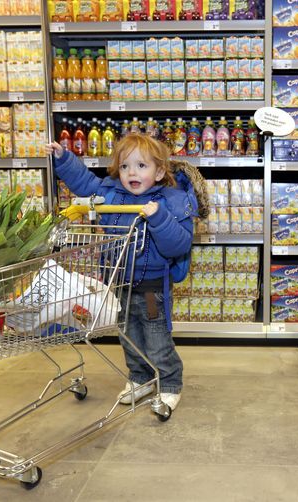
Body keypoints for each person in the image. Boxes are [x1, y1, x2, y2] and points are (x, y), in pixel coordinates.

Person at [45, 134, 208, 412]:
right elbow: (85, 183)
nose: (131, 172)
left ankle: (169, 383)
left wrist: (158, 218)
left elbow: (177, 245)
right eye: (124, 166)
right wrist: (64, 159)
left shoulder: (170, 201)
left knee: (156, 338)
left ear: (159, 172)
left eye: (141, 166)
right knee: (127, 334)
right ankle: (139, 377)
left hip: (152, 287)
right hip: (118, 281)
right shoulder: (111, 192)